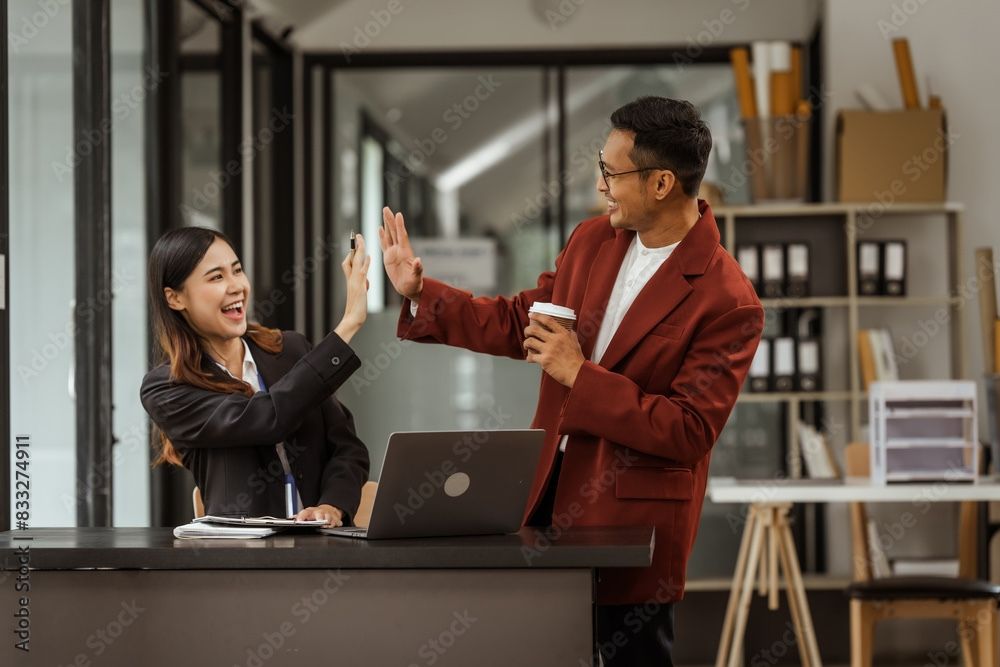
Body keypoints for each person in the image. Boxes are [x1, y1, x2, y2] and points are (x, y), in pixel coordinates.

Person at [379, 96, 764, 665]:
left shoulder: (728, 300)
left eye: (611, 171)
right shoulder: (592, 241)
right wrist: (420, 293)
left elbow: (687, 430)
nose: (601, 183)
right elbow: (519, 322)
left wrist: (579, 376)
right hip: (542, 497)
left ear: (661, 184)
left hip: (630, 522)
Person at [140, 227, 371, 527]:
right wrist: (348, 325)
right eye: (216, 277)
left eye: (237, 271)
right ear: (175, 298)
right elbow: (267, 418)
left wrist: (332, 506)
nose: (236, 286)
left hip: (324, 551)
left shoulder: (292, 351)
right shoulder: (168, 388)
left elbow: (348, 449)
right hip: (243, 560)